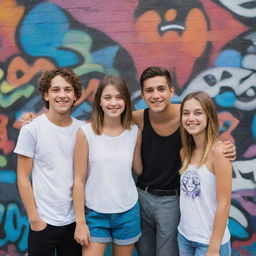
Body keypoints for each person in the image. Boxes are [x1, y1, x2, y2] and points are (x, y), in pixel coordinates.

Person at [132, 66, 235, 256]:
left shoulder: (187, 113)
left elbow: (207, 131)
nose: (156, 95)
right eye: (149, 90)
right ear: (142, 94)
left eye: (161, 89)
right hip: (145, 200)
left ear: (171, 91)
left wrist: (225, 148)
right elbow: (110, 119)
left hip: (172, 202)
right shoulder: (140, 118)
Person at [14, 68, 83, 256]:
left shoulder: (83, 130)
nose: (62, 95)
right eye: (56, 90)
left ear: (75, 95)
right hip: (43, 222)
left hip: (74, 222)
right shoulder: (31, 130)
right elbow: (22, 176)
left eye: (68, 90)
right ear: (46, 94)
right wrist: (34, 219)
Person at [72, 75, 143, 256]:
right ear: (100, 102)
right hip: (95, 213)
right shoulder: (85, 133)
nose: (114, 103)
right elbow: (78, 180)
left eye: (119, 97)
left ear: (126, 101)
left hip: (127, 211)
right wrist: (80, 222)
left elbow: (139, 169)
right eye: (108, 97)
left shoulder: (134, 132)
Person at [178, 91, 232, 256]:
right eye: (186, 113)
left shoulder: (219, 152)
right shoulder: (185, 153)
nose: (191, 118)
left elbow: (224, 204)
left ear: (209, 117)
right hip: (185, 237)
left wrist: (214, 248)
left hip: (209, 243)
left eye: (198, 113)